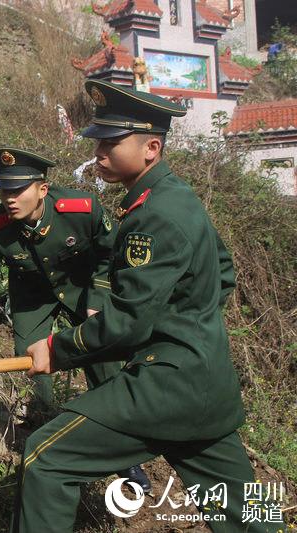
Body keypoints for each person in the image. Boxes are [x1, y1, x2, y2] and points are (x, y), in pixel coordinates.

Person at [17, 80, 282, 532]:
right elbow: (222, 273)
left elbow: (127, 323)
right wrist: (181, 319)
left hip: (166, 387)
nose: (98, 150)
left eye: (110, 141)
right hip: (207, 386)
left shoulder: (152, 216)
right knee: (250, 516)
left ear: (151, 147)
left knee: (45, 457)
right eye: (97, 140)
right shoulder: (177, 198)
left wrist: (57, 348)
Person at [0, 147, 150, 490]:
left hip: (83, 288)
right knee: (30, 361)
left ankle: (127, 458)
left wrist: (98, 299)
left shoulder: (81, 210)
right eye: (3, 191)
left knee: (103, 364)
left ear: (42, 189)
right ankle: (45, 433)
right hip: (32, 297)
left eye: (17, 191)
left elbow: (109, 252)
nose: (9, 199)